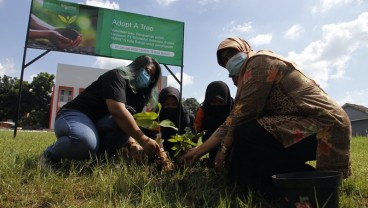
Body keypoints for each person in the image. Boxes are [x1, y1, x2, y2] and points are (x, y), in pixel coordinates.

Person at [182, 37, 351, 197]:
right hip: (303, 124)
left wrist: (223, 151)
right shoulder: (249, 74)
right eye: (225, 60)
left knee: (245, 133)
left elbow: (242, 116)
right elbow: (230, 121)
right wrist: (198, 151)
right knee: (244, 149)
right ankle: (300, 176)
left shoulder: (259, 62)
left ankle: (279, 190)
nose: (229, 61)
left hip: (323, 125)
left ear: (246, 50)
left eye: (232, 54)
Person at [40, 55, 163, 167]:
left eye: (152, 77)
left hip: (98, 124)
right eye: (148, 71)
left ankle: (96, 162)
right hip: (75, 115)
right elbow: (117, 111)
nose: (149, 77)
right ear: (137, 66)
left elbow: (127, 124)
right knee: (84, 142)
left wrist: (133, 144)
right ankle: (50, 154)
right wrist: (144, 140)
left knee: (124, 123)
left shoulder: (139, 97)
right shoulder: (117, 76)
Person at [193, 81, 233, 164]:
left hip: (231, 145)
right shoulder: (203, 111)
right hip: (210, 146)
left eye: (221, 102)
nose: (217, 105)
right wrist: (192, 152)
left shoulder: (234, 107)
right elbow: (196, 132)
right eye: (213, 102)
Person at [158, 86, 194, 158]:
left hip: (180, 150)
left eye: (174, 104)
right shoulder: (157, 116)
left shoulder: (184, 116)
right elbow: (154, 136)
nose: (170, 107)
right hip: (160, 149)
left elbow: (188, 136)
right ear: (161, 104)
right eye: (166, 104)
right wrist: (161, 152)